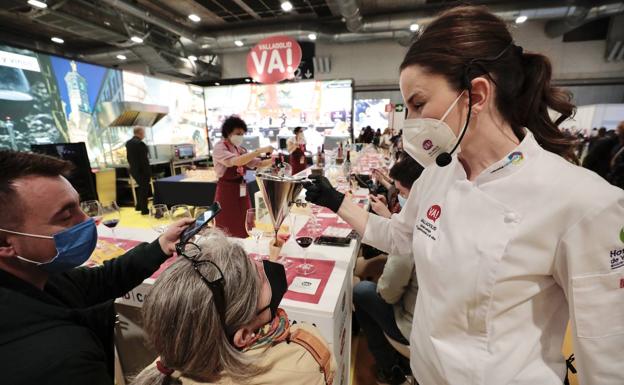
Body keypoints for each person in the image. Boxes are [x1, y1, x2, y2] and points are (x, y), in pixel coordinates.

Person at [304, 6, 624, 385]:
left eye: (418, 104)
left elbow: (606, 355)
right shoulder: (438, 175)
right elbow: (399, 238)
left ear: (477, 94)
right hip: (424, 372)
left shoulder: (583, 202)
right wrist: (335, 201)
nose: (409, 122)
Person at [0, 150, 193, 385]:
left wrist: (161, 245)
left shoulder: (40, 276)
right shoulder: (63, 360)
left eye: (80, 206)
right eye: (65, 216)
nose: (87, 221)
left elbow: (102, 280)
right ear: (5, 243)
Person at [132, 230, 335, 385]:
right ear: (244, 336)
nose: (267, 270)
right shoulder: (306, 358)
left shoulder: (175, 357)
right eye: (263, 280)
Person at [354, 155, 423, 385]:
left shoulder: (413, 233)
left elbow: (388, 293)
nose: (401, 198)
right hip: (428, 316)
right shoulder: (432, 219)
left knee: (362, 291)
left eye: (403, 194)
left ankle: (389, 368)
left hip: (414, 325)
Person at [212, 116, 273, 238]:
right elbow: (236, 161)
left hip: (241, 190)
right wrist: (258, 151)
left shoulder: (239, 149)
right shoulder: (220, 147)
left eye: (242, 134)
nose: (240, 136)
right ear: (228, 132)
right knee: (227, 225)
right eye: (238, 133)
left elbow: (257, 163)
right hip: (226, 191)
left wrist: (273, 160)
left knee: (245, 221)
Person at [126, 126, 152, 215]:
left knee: (141, 187)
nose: (144, 134)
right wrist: (148, 172)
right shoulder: (140, 144)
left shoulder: (128, 143)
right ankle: (144, 210)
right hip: (142, 171)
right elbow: (143, 160)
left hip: (133, 170)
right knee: (144, 189)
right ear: (140, 133)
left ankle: (139, 206)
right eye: (143, 132)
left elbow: (128, 157)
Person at [606, 121, 624, 189]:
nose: (616, 131)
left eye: (619, 129)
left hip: (619, 181)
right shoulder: (618, 143)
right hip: (612, 177)